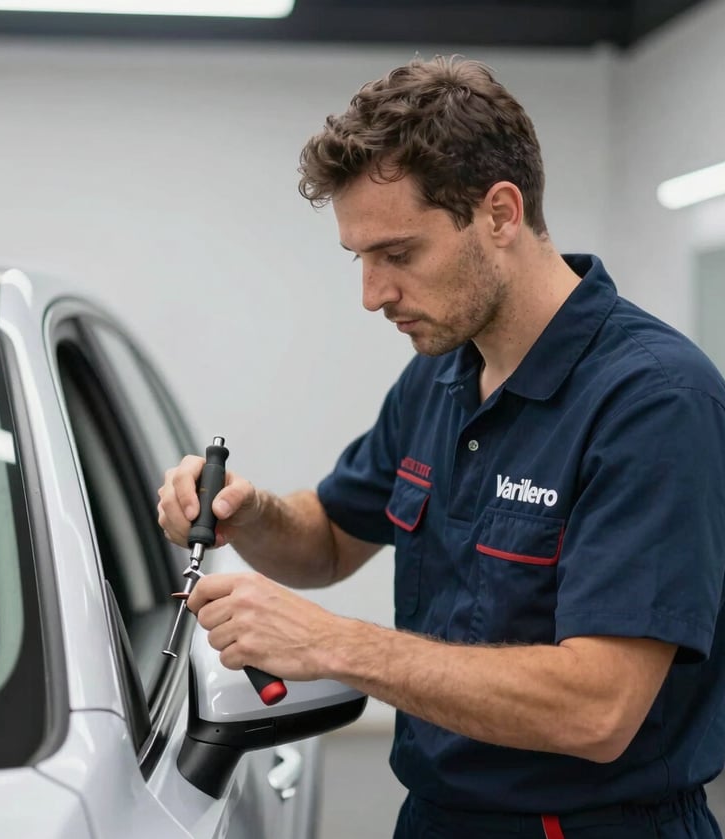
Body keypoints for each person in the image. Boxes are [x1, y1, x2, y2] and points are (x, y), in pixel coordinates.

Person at [158, 56, 725, 838]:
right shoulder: (441, 378)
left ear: (499, 213)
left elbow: (600, 708)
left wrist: (331, 643)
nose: (372, 294)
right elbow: (326, 539)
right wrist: (247, 512)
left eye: (397, 255)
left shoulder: (654, 402)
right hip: (437, 818)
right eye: (360, 259)